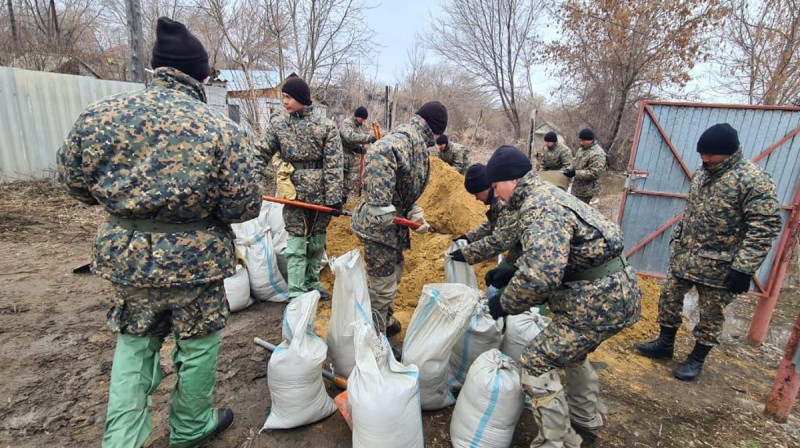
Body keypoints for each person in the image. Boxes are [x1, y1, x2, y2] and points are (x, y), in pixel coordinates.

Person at [57, 17, 262, 448]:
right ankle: (190, 428)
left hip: (129, 255)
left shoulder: (100, 116)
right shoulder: (220, 128)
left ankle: (122, 441)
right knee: (199, 344)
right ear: (201, 76)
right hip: (197, 258)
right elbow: (244, 205)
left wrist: (126, 203)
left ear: (156, 68)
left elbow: (74, 183)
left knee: (135, 342)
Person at [483, 145, 641, 447]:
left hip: (597, 302)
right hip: (612, 293)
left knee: (535, 362)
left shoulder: (539, 207)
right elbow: (558, 251)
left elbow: (543, 275)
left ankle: (555, 442)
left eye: (495, 186)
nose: (496, 193)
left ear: (512, 180)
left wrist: (503, 303)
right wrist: (513, 268)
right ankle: (585, 424)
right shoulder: (545, 194)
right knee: (573, 354)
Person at [634, 123, 781, 381]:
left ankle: (697, 358)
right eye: (702, 154)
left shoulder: (753, 181)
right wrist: (678, 240)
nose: (704, 159)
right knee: (668, 298)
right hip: (686, 257)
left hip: (720, 265)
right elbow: (692, 211)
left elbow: (764, 227)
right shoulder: (703, 174)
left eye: (710, 155)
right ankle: (665, 344)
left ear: (729, 152)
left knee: (711, 314)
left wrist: (743, 268)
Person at [351, 101, 447, 337]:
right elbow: (380, 152)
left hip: (392, 228)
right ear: (434, 129)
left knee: (393, 276)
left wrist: (414, 210)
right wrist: (379, 202)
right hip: (379, 229)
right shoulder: (408, 137)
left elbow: (402, 186)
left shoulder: (415, 142)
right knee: (383, 286)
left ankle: (384, 318)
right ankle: (374, 337)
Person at [258, 76, 343, 300]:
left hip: (321, 192)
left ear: (302, 98)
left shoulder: (325, 126)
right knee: (296, 240)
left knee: (316, 239)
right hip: (291, 191)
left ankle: (311, 281)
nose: (285, 102)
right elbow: (261, 153)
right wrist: (251, 180)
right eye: (283, 97)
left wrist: (334, 198)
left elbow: (334, 163)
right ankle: (296, 292)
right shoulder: (278, 124)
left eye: (289, 97)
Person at [448, 163, 522, 267]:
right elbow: (493, 225)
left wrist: (468, 253)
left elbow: (500, 241)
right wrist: (469, 238)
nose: (477, 199)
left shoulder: (503, 201)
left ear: (487, 188)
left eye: (476, 194)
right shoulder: (497, 201)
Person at [339, 106, 377, 200]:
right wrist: (368, 138)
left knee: (347, 184)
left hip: (349, 160)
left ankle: (343, 200)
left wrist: (360, 150)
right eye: (363, 119)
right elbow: (349, 137)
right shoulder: (347, 123)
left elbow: (352, 143)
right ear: (358, 116)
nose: (363, 121)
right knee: (340, 182)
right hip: (341, 158)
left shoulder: (357, 127)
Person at [562, 128, 606, 204]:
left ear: (590, 140)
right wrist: (568, 170)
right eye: (580, 140)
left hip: (588, 193)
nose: (581, 143)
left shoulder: (598, 154)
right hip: (577, 189)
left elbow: (595, 173)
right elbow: (575, 162)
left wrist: (575, 173)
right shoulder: (581, 150)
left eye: (583, 141)